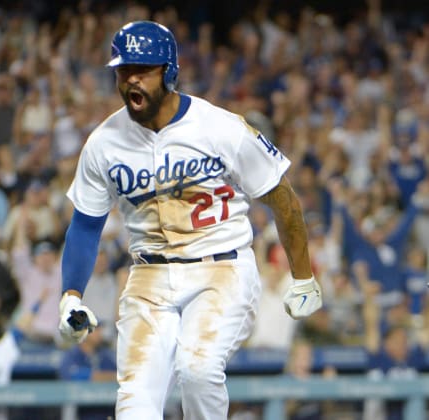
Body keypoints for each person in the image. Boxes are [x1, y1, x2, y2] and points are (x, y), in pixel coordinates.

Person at [57, 21, 322, 419]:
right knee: (134, 408)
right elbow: (85, 224)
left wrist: (304, 275)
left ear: (169, 71)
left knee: (197, 369)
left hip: (222, 268)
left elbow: (282, 198)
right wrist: (71, 295)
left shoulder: (220, 128)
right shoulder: (103, 143)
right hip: (149, 277)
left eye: (143, 71)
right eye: (124, 70)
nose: (132, 80)